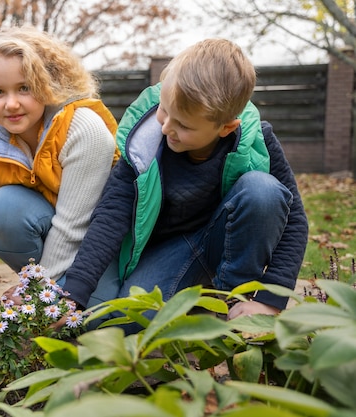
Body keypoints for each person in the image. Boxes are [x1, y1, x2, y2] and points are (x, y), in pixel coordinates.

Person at [62, 38, 309, 333]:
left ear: (226, 127)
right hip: (168, 251)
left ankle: (230, 300)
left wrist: (270, 300)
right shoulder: (145, 142)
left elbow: (295, 222)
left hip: (225, 243)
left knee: (263, 191)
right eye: (164, 111)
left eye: (184, 126)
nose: (166, 128)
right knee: (123, 323)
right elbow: (112, 214)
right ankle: (192, 297)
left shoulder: (258, 142)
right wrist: (73, 293)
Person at [0, 25, 120, 354]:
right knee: (3, 211)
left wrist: (30, 298)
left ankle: (59, 302)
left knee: (106, 322)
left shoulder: (83, 128)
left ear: (46, 84)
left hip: (99, 252)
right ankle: (51, 302)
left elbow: (72, 231)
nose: (11, 104)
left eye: (24, 88)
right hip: (52, 253)